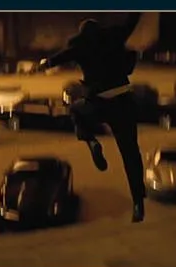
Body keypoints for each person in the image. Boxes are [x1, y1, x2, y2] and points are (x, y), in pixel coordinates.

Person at [42, 14, 147, 223]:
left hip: (98, 103)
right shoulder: (114, 37)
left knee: (75, 111)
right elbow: (130, 23)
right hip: (123, 101)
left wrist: (47, 62)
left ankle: (91, 142)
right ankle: (138, 203)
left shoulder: (80, 45)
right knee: (130, 154)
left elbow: (63, 56)